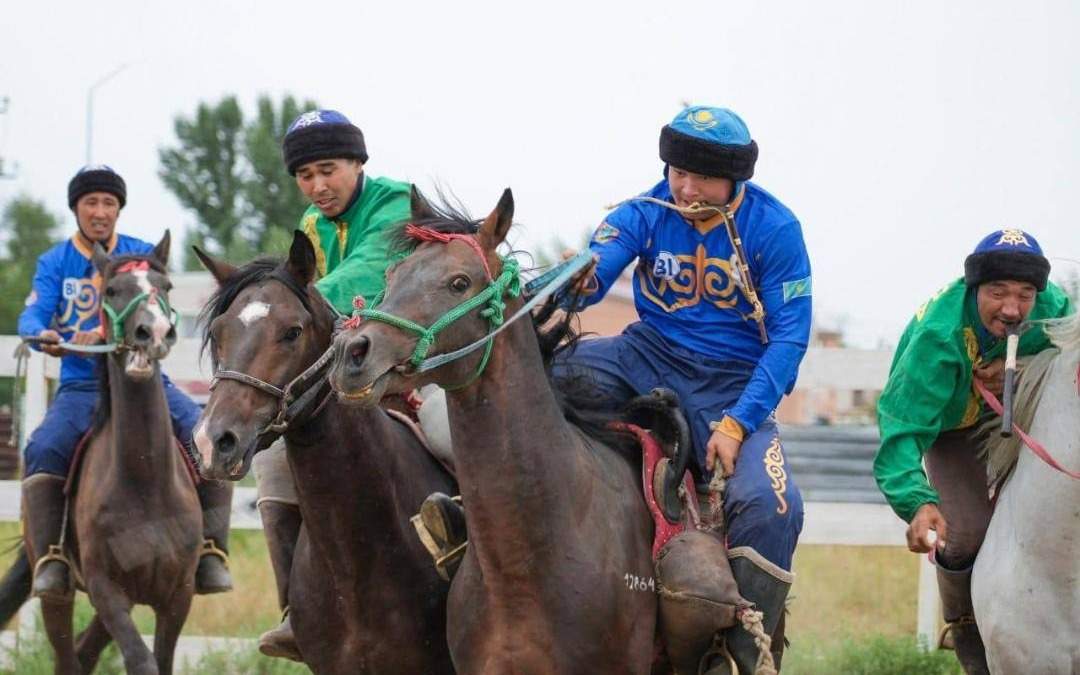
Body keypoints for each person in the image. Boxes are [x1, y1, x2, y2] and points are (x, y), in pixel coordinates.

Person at [421, 105, 811, 673]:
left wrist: (738, 422)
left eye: (700, 176)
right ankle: (470, 521)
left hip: (730, 383)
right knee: (526, 385)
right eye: (677, 171)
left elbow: (790, 340)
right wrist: (577, 279)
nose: (685, 187)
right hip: (642, 354)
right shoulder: (645, 209)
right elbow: (598, 264)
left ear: (736, 179)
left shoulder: (775, 230)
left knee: (773, 505)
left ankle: (739, 652)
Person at [18, 165, 233, 601]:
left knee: (207, 438)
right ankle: (52, 557)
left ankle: (211, 548)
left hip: (145, 383)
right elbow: (33, 315)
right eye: (91, 203)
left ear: (119, 209)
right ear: (76, 208)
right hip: (82, 384)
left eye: (109, 203)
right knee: (44, 447)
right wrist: (47, 337)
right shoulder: (55, 262)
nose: (100, 212)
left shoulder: (139, 254)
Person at [253, 110, 415, 660]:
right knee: (272, 461)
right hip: (347, 375)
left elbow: (368, 270)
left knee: (449, 433)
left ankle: (485, 582)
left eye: (328, 169)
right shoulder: (310, 226)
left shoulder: (397, 202)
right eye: (305, 175)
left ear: (357, 163)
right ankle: (297, 614)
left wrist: (290, 306)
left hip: (418, 367)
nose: (318, 186)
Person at [874, 229, 1072, 674]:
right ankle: (966, 627)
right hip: (950, 427)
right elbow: (901, 431)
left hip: (1026, 412)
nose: (1012, 308)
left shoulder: (1057, 309)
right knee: (964, 531)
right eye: (997, 292)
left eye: (1025, 295)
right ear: (974, 288)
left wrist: (1020, 369)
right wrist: (917, 503)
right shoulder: (937, 337)